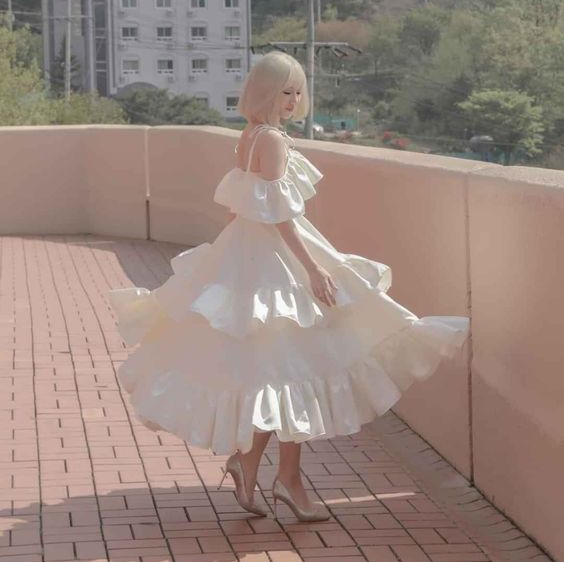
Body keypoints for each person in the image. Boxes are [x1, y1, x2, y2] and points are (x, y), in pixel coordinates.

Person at [109, 51, 468, 522]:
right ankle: (283, 477)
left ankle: (262, 467)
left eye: (298, 91)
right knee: (292, 368)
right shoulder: (272, 140)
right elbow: (279, 214)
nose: (294, 100)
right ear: (265, 93)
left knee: (280, 371)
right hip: (275, 261)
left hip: (247, 255)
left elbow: (239, 208)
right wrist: (313, 269)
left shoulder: (250, 135)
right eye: (285, 91)